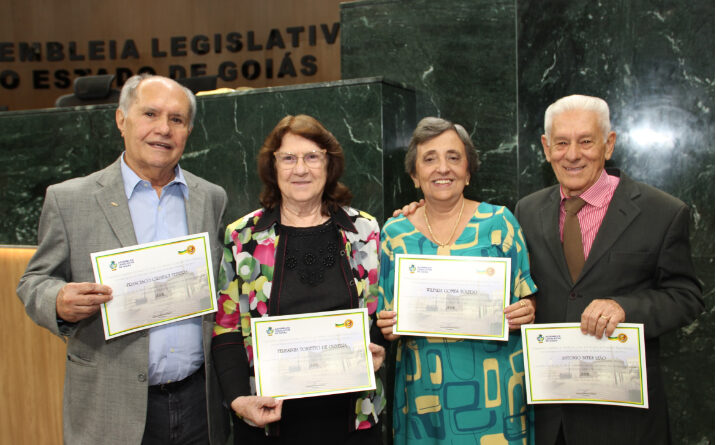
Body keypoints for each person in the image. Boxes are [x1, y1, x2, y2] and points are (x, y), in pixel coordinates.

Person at [16, 74, 229, 445]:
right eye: (150, 114)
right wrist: (58, 301)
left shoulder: (210, 197)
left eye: (176, 120)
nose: (163, 129)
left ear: (188, 131)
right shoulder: (70, 200)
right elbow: (34, 282)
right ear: (121, 120)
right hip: (110, 404)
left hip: (199, 405)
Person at [513, 94, 704, 445]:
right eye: (561, 143)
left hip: (622, 421)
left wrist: (624, 307)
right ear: (545, 147)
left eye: (586, 141)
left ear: (609, 144)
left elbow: (686, 296)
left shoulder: (662, 211)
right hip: (547, 418)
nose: (572, 155)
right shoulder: (526, 211)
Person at [211, 114, 387, 444]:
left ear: (329, 164)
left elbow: (379, 311)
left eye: (312, 157)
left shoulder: (364, 231)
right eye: (288, 158)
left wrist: (376, 347)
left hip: (353, 419)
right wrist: (237, 399)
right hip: (268, 421)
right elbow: (226, 327)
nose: (300, 169)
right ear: (272, 166)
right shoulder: (243, 237)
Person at [376, 117, 538, 444]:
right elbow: (385, 315)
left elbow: (527, 296)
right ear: (414, 175)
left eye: (454, 157)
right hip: (424, 392)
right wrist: (387, 326)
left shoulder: (499, 222)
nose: (443, 168)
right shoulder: (394, 234)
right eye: (430, 158)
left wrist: (526, 310)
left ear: (468, 171)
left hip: (495, 389)